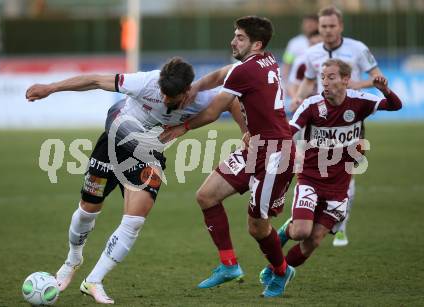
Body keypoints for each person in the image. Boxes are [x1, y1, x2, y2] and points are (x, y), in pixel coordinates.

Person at [25, 57, 246, 304]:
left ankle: (93, 281)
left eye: (170, 97)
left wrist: (243, 132)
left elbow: (231, 102)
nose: (163, 100)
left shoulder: (203, 97)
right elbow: (95, 79)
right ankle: (73, 260)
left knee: (134, 220)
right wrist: (51, 87)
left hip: (147, 155)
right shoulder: (146, 82)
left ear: (187, 91)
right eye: (162, 93)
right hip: (113, 144)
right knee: (88, 210)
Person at [160, 16, 296, 298]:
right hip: (256, 147)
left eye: (240, 38)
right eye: (235, 35)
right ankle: (229, 264)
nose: (233, 41)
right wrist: (195, 87)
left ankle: (282, 271)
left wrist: (181, 128)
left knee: (257, 227)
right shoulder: (266, 59)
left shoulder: (244, 71)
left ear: (256, 44)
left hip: (276, 153)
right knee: (206, 195)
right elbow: (223, 73)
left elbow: (212, 112)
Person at [263, 59, 401, 282]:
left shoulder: (360, 101)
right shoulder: (312, 105)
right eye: (323, 78)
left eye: (331, 77)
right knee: (301, 232)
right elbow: (289, 129)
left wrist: (385, 90)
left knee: (314, 241)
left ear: (346, 80)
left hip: (339, 186)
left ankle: (277, 273)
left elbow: (395, 105)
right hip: (310, 178)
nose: (325, 83)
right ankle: (287, 230)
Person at [290, 6, 383, 247]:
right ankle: (305, 214)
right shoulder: (311, 53)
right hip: (319, 121)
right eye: (324, 27)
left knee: (347, 173)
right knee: (313, 169)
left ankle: (341, 226)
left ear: (340, 26)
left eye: (332, 26)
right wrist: (298, 98)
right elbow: (308, 80)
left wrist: (355, 84)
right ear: (318, 28)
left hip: (350, 121)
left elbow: (377, 78)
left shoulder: (358, 48)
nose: (328, 31)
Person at [281, 14, 319, 85]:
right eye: (306, 23)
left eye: (311, 23)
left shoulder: (322, 41)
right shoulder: (294, 43)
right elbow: (287, 62)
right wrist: (285, 83)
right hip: (296, 84)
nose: (309, 25)